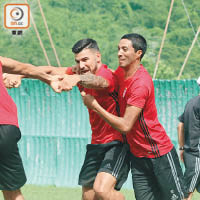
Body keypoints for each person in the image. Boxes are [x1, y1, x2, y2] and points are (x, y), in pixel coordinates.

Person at [3, 39, 130, 200]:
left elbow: (100, 82)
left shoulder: (106, 74)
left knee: (103, 191)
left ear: (98, 57)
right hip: (96, 143)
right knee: (89, 196)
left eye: (85, 60)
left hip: (117, 143)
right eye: (78, 61)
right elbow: (50, 70)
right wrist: (20, 75)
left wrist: (76, 79)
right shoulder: (78, 72)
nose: (81, 65)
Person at [81, 33, 187, 200]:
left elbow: (125, 126)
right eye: (118, 49)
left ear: (138, 54)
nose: (119, 53)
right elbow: (103, 81)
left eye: (125, 49)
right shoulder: (120, 73)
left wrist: (94, 106)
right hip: (138, 157)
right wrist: (73, 77)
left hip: (158, 153)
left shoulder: (140, 83)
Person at [0, 56, 65, 200]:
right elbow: (25, 68)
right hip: (6, 127)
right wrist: (49, 79)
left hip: (4, 125)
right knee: (11, 190)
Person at [177, 77, 200, 200]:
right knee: (187, 194)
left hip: (190, 152)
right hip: (197, 154)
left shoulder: (190, 102)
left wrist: (182, 148)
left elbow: (180, 126)